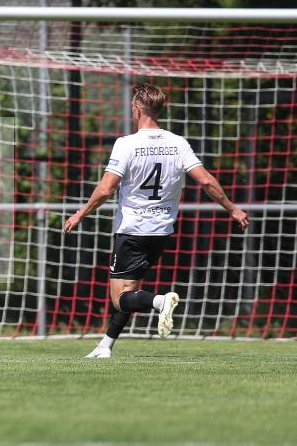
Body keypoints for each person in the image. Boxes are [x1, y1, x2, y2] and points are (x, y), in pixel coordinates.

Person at [63, 83, 249, 358]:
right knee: (129, 289)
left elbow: (105, 188)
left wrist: (80, 213)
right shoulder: (178, 143)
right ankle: (105, 346)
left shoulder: (126, 144)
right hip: (162, 230)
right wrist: (233, 209)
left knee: (121, 297)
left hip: (132, 229)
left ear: (137, 108)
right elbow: (206, 181)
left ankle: (160, 301)